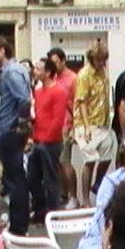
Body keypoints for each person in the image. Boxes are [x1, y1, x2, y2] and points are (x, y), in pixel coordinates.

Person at [0, 36, 32, 235]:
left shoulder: (12, 72)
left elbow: (23, 99)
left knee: (15, 180)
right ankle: (18, 223)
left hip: (9, 131)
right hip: (9, 130)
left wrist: (21, 126)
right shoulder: (8, 71)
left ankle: (19, 225)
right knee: (13, 179)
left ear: (1, 52)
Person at [72, 43, 115, 206]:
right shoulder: (84, 75)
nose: (101, 63)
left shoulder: (103, 72)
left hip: (103, 121)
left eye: (103, 60)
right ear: (92, 59)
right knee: (89, 160)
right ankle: (85, 199)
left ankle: (97, 185)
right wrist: (86, 125)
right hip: (88, 123)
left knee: (107, 156)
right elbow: (81, 101)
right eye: (99, 60)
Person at [28, 58, 69, 222]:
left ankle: (53, 213)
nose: (35, 71)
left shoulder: (58, 92)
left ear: (48, 72)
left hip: (50, 142)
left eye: (39, 69)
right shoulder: (37, 92)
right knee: (33, 177)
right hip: (37, 139)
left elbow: (58, 120)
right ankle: (40, 211)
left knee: (50, 178)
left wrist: (45, 140)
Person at [46, 48, 79, 209]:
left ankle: (73, 196)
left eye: (56, 62)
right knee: (57, 164)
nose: (53, 66)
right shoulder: (51, 78)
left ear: (63, 60)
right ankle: (63, 194)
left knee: (65, 162)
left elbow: (78, 103)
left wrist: (76, 125)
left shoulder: (72, 78)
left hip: (67, 124)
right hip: (53, 126)